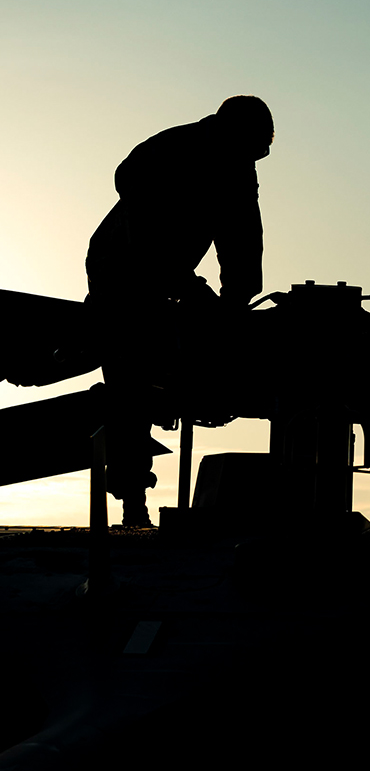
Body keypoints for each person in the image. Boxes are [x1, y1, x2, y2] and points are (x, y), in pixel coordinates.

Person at [86, 95, 274, 525]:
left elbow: (243, 239)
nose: (255, 158)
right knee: (130, 376)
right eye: (253, 148)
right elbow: (142, 237)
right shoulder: (167, 152)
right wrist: (189, 288)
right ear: (231, 133)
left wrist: (237, 302)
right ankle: (133, 500)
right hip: (120, 268)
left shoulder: (239, 168)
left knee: (171, 358)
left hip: (169, 275)